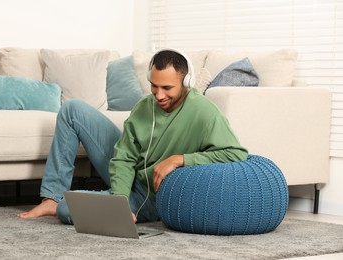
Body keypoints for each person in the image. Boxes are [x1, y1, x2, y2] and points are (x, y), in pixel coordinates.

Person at [17, 49, 248, 224]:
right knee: (72, 110)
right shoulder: (145, 106)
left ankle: (61, 206)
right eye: (153, 86)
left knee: (68, 210)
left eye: (167, 88)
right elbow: (124, 157)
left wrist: (180, 159)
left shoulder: (204, 112)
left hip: (153, 196)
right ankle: (51, 197)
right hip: (129, 178)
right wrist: (120, 200)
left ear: (186, 82)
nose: (158, 95)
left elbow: (236, 154)